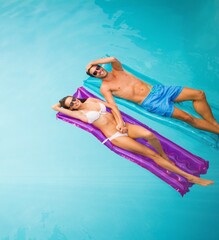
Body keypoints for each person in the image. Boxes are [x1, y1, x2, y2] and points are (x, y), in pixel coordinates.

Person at [51, 95, 214, 186]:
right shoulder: (79, 114)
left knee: (150, 136)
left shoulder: (91, 101)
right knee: (152, 155)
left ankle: (164, 155)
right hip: (116, 137)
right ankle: (191, 178)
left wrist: (121, 123)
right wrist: (61, 104)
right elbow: (54, 107)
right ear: (71, 108)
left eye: (73, 99)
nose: (75, 102)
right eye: (71, 103)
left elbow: (113, 107)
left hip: (124, 126)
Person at [85, 56, 219, 134]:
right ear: (95, 77)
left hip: (158, 90)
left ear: (100, 66)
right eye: (95, 73)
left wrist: (92, 63)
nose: (98, 71)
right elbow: (112, 105)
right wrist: (120, 123)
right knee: (187, 117)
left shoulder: (117, 69)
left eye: (98, 68)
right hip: (151, 102)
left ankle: (213, 124)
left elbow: (113, 58)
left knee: (199, 94)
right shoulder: (105, 88)